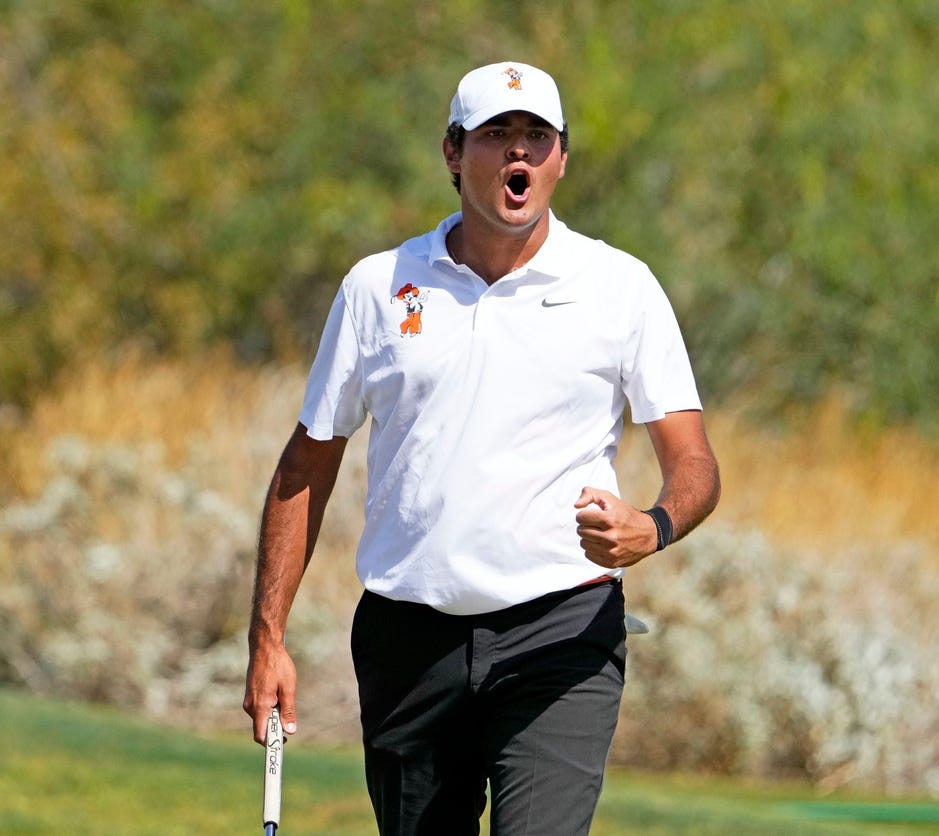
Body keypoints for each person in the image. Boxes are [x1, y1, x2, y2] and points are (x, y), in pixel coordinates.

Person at [243, 60, 721, 835]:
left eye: (537, 136)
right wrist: (268, 640)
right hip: (408, 641)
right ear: (453, 154)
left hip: (562, 631)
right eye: (497, 136)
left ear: (562, 157)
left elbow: (694, 460)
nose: (518, 154)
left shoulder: (619, 286)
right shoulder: (378, 287)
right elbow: (306, 466)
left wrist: (653, 525)